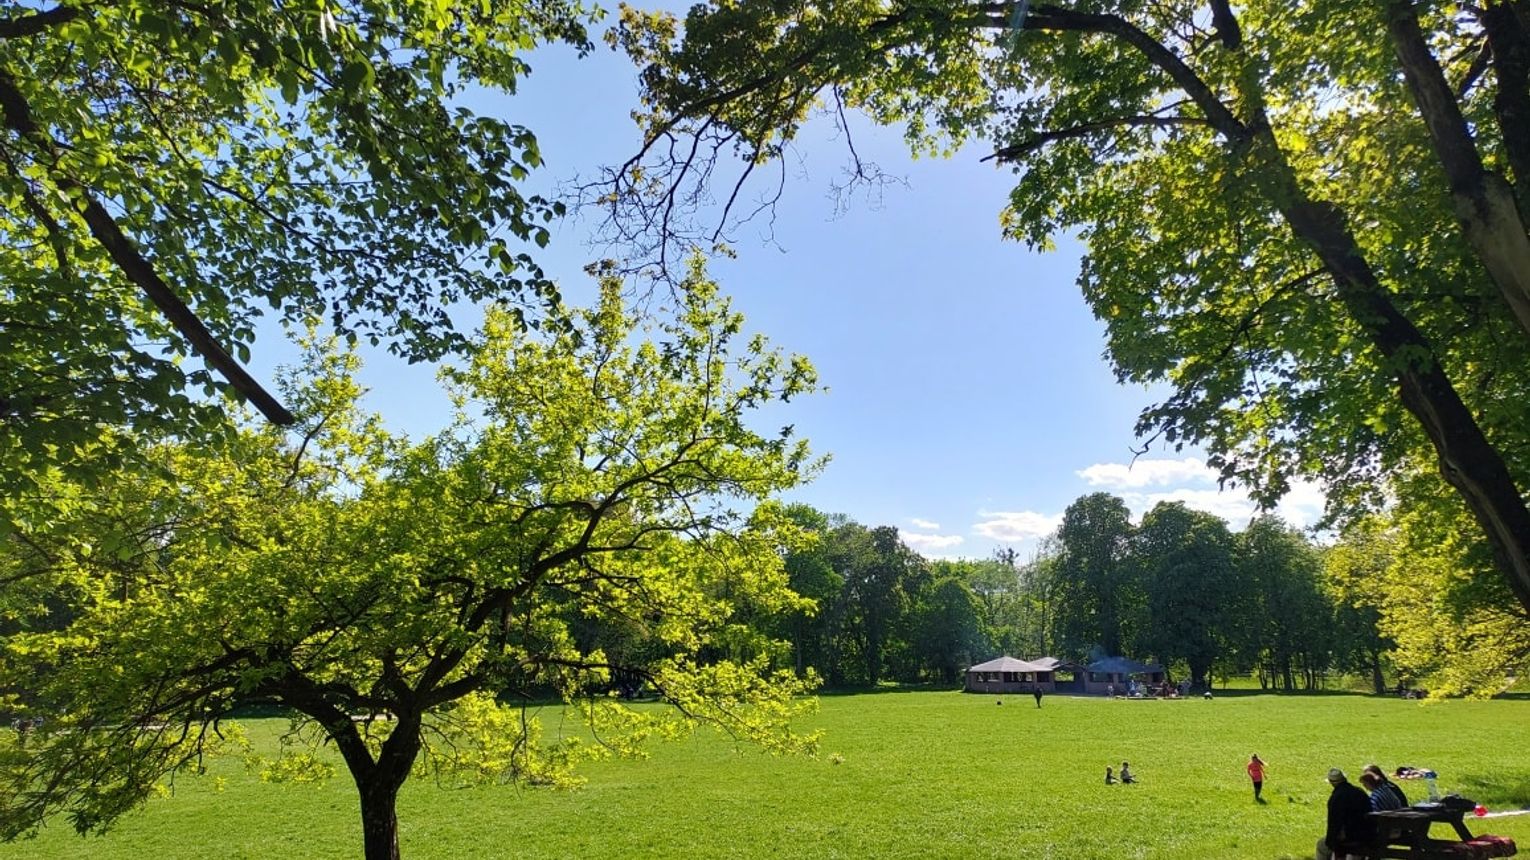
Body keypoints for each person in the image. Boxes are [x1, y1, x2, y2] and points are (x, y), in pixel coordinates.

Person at [1317, 768, 1376, 860]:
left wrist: (1331, 842)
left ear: (1332, 783)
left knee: (1321, 845)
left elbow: (1334, 823)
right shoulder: (1359, 792)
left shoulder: (1336, 798)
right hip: (1368, 834)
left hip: (1350, 837)